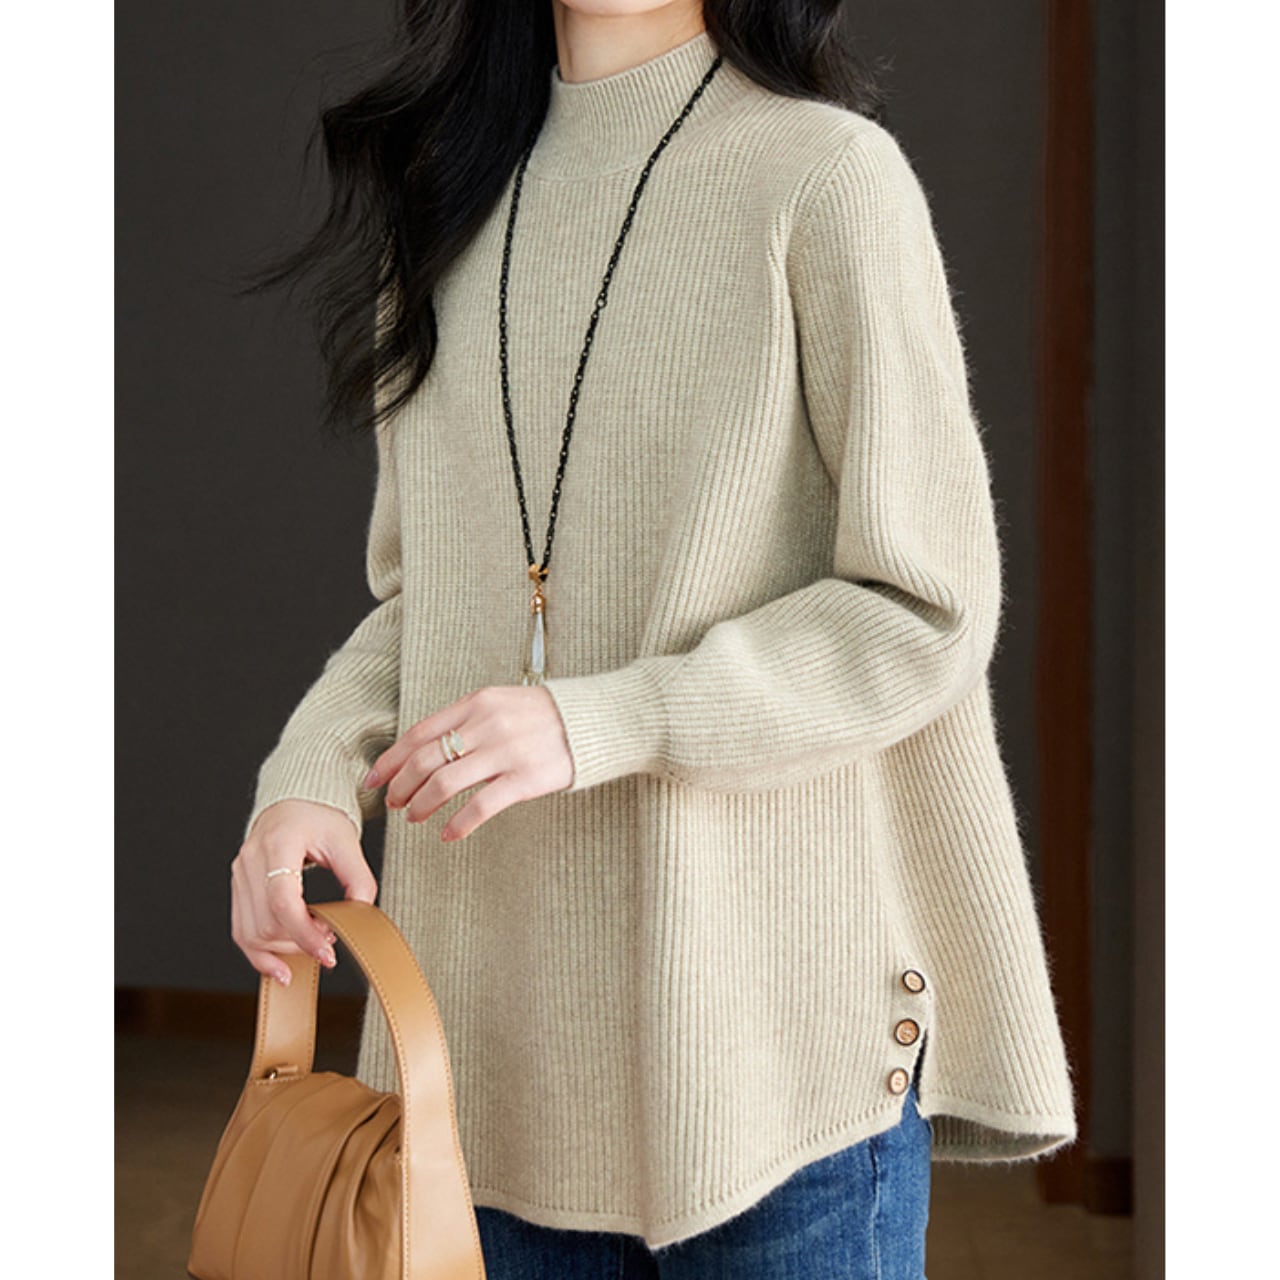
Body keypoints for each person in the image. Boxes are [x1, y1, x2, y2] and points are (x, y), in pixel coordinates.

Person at [229, 2, 1078, 1276]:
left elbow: (923, 609)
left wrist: (601, 718)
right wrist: (306, 772)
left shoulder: (823, 178)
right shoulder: (443, 196)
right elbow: (432, 600)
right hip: (489, 1076)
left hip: (774, 1069)